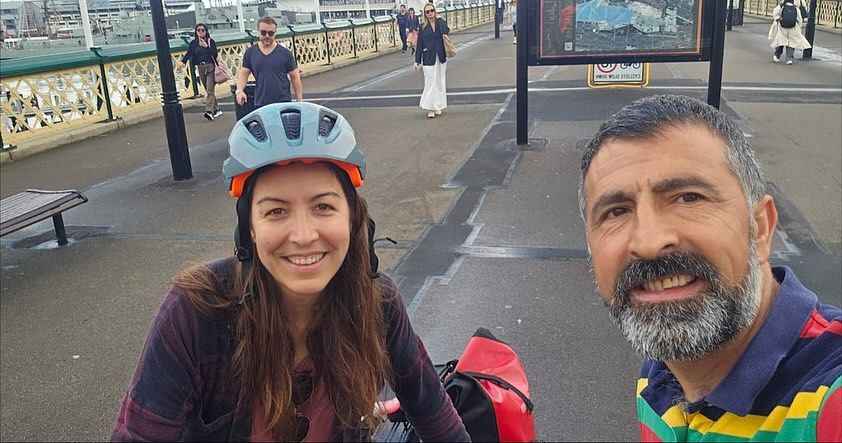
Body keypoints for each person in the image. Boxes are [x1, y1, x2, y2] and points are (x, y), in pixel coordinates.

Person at [111, 102, 470, 442]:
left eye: (323, 206)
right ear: (250, 230)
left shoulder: (378, 305)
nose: (302, 236)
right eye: (276, 211)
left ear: (352, 218)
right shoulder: (196, 313)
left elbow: (437, 416)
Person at [578, 94, 841, 442]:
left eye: (689, 197)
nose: (648, 242)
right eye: (616, 212)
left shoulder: (828, 398)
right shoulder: (659, 373)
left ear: (760, 228)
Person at [235, 16, 303, 108]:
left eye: (270, 33)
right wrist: (239, 91)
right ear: (258, 32)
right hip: (261, 103)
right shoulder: (251, 52)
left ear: (275, 34)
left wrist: (300, 102)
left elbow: (295, 77)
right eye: (263, 32)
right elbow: (243, 73)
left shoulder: (285, 53)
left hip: (283, 103)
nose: (267, 36)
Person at [414, 5, 449, 119]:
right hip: (428, 57)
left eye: (432, 10)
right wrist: (417, 61)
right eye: (427, 12)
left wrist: (439, 19)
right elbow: (419, 44)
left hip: (440, 56)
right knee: (430, 82)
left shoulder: (440, 23)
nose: (430, 13)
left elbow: (446, 31)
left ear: (435, 11)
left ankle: (437, 105)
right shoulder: (422, 27)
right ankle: (430, 107)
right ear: (425, 14)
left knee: (440, 82)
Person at [181, 23, 222, 121]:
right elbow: (189, 54)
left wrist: (206, 47)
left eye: (202, 30)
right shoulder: (193, 43)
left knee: (210, 90)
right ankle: (217, 109)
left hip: (210, 67)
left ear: (206, 31)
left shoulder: (210, 41)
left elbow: (215, 54)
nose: (200, 32)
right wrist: (183, 62)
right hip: (200, 68)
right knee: (208, 90)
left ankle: (209, 112)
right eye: (198, 30)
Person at [769, 0, 811, 65]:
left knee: (781, 41)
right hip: (793, 28)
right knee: (792, 43)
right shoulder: (796, 8)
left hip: (782, 27)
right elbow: (799, 20)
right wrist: (799, 28)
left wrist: (778, 18)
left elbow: (775, 14)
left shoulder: (781, 7)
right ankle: (789, 59)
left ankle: (777, 55)